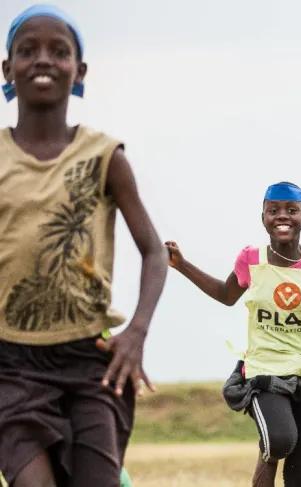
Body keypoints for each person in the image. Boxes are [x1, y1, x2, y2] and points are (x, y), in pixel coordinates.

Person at [0, 5, 169, 486]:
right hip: (10, 365)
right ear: (7, 69)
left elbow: (154, 251)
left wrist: (136, 332)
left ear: (80, 71)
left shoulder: (104, 156)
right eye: (28, 50)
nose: (43, 60)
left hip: (91, 360)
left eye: (59, 51)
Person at [167, 182, 301, 487]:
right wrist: (182, 265)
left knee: (299, 472)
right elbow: (225, 295)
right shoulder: (252, 259)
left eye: (292, 210)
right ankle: (268, 446)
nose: (282, 216)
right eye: (273, 210)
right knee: (278, 441)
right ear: (263, 217)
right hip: (265, 368)